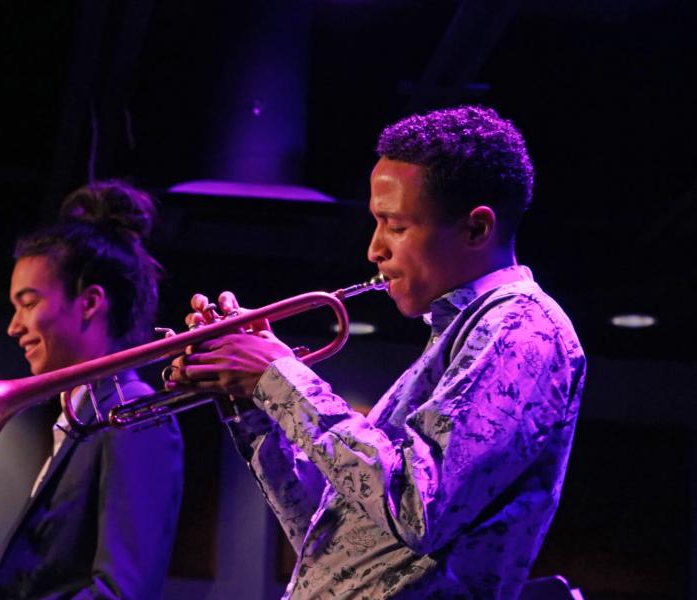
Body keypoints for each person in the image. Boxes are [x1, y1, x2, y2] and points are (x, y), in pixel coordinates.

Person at [167, 106, 586, 599]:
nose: (374, 249)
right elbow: (336, 540)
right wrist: (251, 405)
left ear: (476, 229)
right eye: (376, 223)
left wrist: (278, 377)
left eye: (396, 226)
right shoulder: (461, 336)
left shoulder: (523, 331)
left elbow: (418, 510)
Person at [0, 180, 184, 599]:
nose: (13, 326)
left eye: (28, 303)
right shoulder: (84, 418)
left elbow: (122, 592)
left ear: (90, 302)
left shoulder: (135, 418)